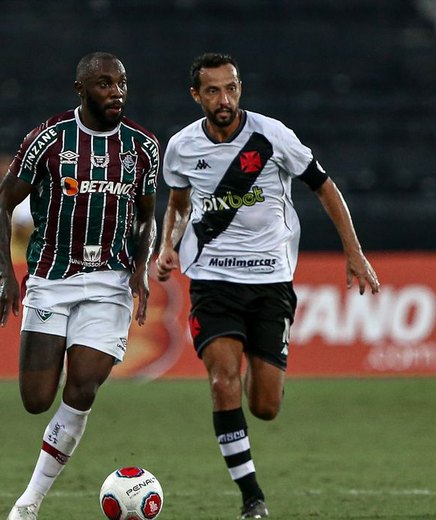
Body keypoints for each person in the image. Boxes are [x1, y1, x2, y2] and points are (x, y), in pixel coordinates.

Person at [155, 53, 380, 519]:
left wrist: (353, 252)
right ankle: (252, 497)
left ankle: (259, 378)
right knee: (223, 382)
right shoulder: (180, 147)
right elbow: (176, 203)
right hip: (212, 280)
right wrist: (167, 245)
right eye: (213, 91)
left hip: (270, 283)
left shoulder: (272, 136)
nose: (225, 99)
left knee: (265, 406)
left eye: (231, 88)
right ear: (196, 96)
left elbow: (324, 187)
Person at [0, 52, 159, 520]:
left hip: (109, 281)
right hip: (50, 279)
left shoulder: (142, 146)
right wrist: (6, 275)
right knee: (36, 400)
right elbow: (0, 207)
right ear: (80, 89)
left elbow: (147, 219)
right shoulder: (48, 139)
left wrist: (141, 268)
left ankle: (29, 502)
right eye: (104, 84)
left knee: (82, 387)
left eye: (121, 83)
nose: (116, 92)